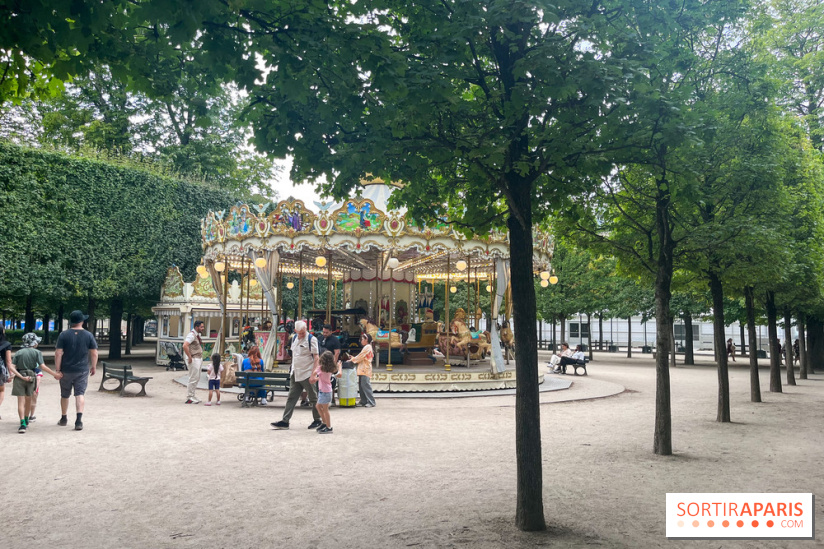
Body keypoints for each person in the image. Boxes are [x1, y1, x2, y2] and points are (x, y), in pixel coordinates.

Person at [271, 320, 322, 430]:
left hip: (307, 372)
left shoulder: (311, 339)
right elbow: (294, 355)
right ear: (295, 331)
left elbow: (316, 358)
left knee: (313, 397)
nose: (302, 334)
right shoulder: (294, 338)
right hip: (295, 372)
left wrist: (313, 374)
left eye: (303, 332)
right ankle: (285, 421)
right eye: (300, 332)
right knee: (291, 397)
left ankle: (317, 419)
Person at [54, 310, 98, 431]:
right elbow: (94, 353)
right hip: (82, 370)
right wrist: (93, 366)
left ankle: (63, 418)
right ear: (82, 321)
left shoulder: (63, 335)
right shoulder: (88, 335)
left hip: (66, 370)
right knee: (80, 393)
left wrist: (58, 370)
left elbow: (58, 353)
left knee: (64, 394)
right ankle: (78, 420)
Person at [9, 333, 60, 433]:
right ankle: (27, 418)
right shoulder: (37, 352)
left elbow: (11, 366)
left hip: (20, 377)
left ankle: (22, 422)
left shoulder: (19, 353)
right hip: (31, 376)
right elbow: (43, 367)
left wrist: (19, 376)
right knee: (29, 399)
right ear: (34, 342)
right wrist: (55, 374)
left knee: (20, 401)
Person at [311, 351, 341, 434]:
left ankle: (328, 426)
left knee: (325, 409)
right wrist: (339, 366)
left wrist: (315, 377)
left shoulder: (320, 368)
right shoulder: (331, 368)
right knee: (318, 406)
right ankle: (324, 423)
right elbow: (338, 375)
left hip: (324, 390)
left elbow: (314, 374)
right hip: (326, 390)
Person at [182, 320, 206, 404]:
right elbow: (185, 345)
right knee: (193, 377)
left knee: (197, 377)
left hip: (198, 358)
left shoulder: (196, 335)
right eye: (201, 327)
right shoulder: (191, 335)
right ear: (197, 327)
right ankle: (189, 396)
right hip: (194, 358)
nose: (203, 328)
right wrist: (189, 356)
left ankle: (192, 395)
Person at [318, 324, 341, 406]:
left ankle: (332, 398)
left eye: (326, 332)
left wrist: (333, 364)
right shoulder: (319, 338)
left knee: (331, 381)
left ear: (331, 332)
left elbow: (337, 353)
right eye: (323, 332)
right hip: (321, 363)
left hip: (330, 363)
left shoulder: (335, 340)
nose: (324, 334)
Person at [352, 333, 376, 407]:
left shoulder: (367, 347)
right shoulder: (367, 347)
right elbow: (360, 356)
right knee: (362, 385)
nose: (361, 341)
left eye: (362, 339)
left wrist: (352, 359)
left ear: (366, 340)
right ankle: (363, 401)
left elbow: (361, 356)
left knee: (365, 385)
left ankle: (371, 402)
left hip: (365, 369)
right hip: (363, 368)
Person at [0, 326, 11, 420]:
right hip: (0, 371)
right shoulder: (6, 344)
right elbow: (8, 361)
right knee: (1, 390)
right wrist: (11, 374)